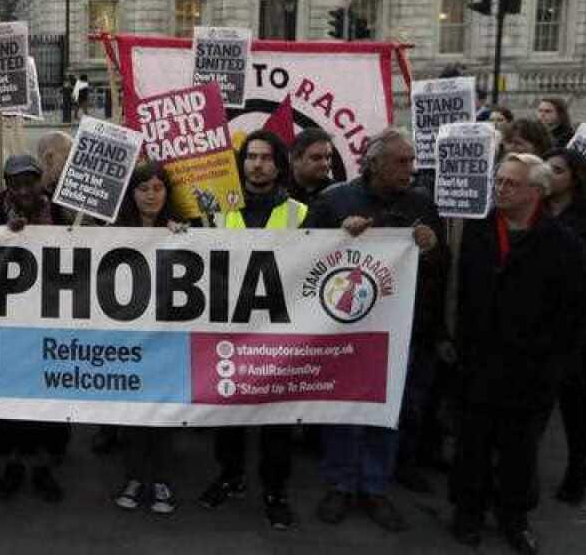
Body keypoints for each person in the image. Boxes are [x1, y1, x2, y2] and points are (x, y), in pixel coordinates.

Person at [304, 128, 445, 532]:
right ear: (373, 162)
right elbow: (301, 254)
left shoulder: (420, 203)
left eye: (412, 162)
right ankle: (341, 483)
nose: (410, 169)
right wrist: (336, 236)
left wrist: (432, 246)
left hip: (397, 332)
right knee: (343, 409)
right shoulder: (334, 201)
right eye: (402, 162)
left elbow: (439, 268)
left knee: (387, 412)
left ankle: (375, 486)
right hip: (345, 329)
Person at [448, 153, 586, 552]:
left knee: (519, 450)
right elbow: (459, 290)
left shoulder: (564, 244)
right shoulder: (477, 231)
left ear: (537, 191)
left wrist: (554, 364)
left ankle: (514, 517)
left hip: (530, 368)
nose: (500, 188)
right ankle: (467, 513)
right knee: (471, 444)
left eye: (511, 183)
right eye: (499, 180)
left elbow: (574, 312)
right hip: (477, 361)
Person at [198, 131, 304, 530]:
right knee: (229, 412)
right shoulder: (220, 210)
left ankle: (275, 491)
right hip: (230, 328)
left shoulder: (301, 212)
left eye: (265, 157)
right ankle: (230, 476)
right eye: (250, 157)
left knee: (277, 419)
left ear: (279, 164)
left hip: (279, 332)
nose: (257, 164)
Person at [0, 154, 69, 503]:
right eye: (16, 183)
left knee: (49, 400)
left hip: (51, 319)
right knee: (10, 402)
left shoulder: (60, 212)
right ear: (8, 186)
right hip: (7, 323)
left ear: (40, 182)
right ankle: (13, 463)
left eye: (30, 181)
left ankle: (44, 467)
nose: (24, 189)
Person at [111, 161, 187, 515]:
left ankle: (162, 480)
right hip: (128, 336)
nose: (151, 195)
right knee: (133, 415)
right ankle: (134, 477)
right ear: (132, 193)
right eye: (143, 188)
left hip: (168, 338)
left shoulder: (184, 229)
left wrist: (183, 236)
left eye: (158, 188)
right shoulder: (113, 230)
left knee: (162, 415)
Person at [544, 148, 586, 505]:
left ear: (574, 176)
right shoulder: (537, 209)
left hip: (577, 322)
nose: (550, 174)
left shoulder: (585, 216)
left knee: (574, 403)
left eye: (557, 170)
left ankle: (578, 469)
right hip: (539, 320)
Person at [288, 127, 334, 207]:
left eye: (328, 157)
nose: (325, 164)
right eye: (316, 158)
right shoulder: (276, 194)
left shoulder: (337, 193)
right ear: (295, 160)